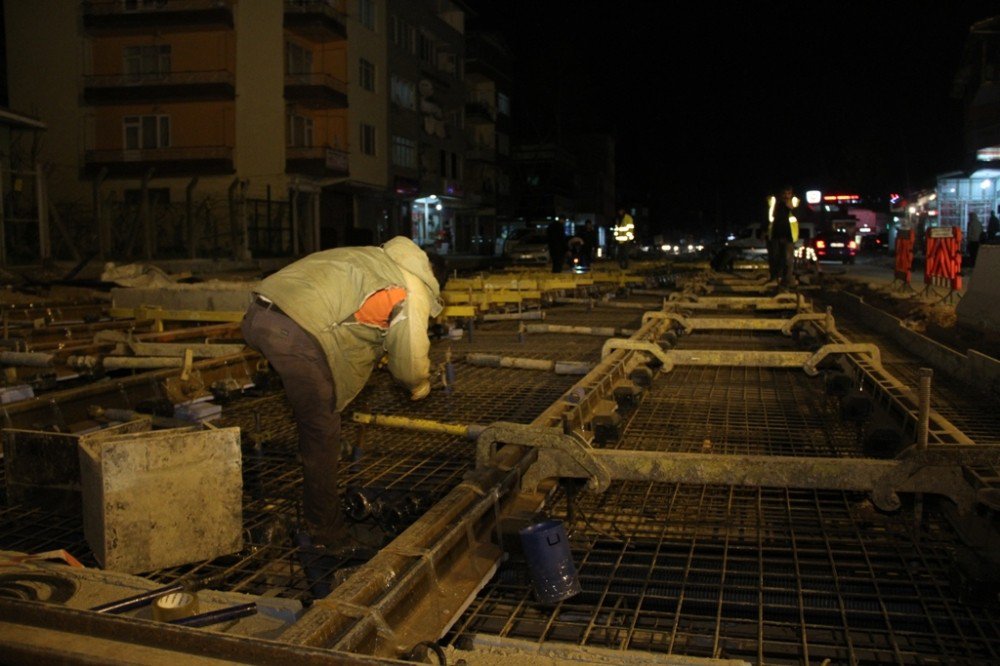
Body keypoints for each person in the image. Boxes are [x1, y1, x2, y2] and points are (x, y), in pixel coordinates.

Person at [241, 236, 446, 555]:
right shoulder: (412, 286)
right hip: (294, 333)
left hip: (257, 314)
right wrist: (420, 386)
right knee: (322, 434)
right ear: (432, 277)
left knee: (312, 399)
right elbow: (410, 363)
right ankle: (327, 533)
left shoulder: (369, 256)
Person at [767, 186, 799, 288]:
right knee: (775, 258)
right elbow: (768, 216)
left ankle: (787, 280)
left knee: (787, 259)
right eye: (784, 193)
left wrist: (790, 206)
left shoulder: (794, 202)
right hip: (775, 234)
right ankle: (775, 278)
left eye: (788, 193)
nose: (786, 196)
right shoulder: (774, 202)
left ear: (792, 194)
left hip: (788, 236)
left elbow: (800, 213)